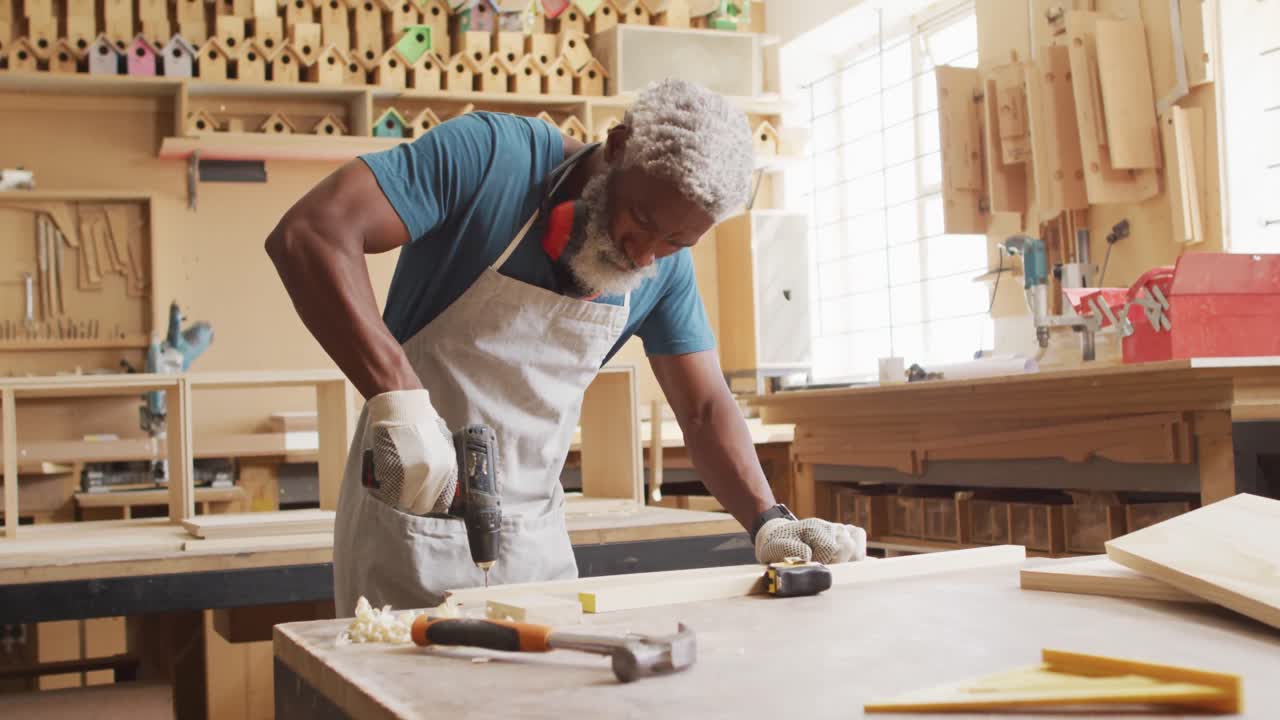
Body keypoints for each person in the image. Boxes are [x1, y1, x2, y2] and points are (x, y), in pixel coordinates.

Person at [266, 78, 866, 616]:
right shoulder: (492, 159)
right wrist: (399, 400)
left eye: (676, 242)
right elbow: (312, 233)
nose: (644, 253)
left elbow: (705, 409)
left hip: (537, 551)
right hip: (410, 535)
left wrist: (768, 521)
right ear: (617, 145)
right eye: (640, 217)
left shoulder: (661, 272)